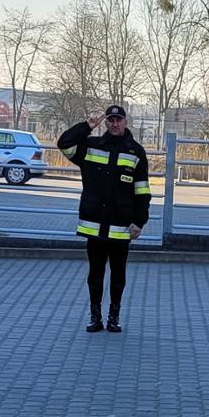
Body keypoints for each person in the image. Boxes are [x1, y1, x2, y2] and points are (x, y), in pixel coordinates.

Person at [57, 105, 151, 333]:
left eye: (119, 119)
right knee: (95, 274)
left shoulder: (136, 152)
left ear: (126, 122)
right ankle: (95, 317)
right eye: (110, 120)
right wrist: (86, 127)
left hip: (121, 227)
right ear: (105, 122)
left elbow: (142, 191)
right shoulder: (90, 146)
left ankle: (114, 317)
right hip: (95, 225)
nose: (114, 124)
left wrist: (140, 222)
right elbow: (64, 143)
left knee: (118, 275)